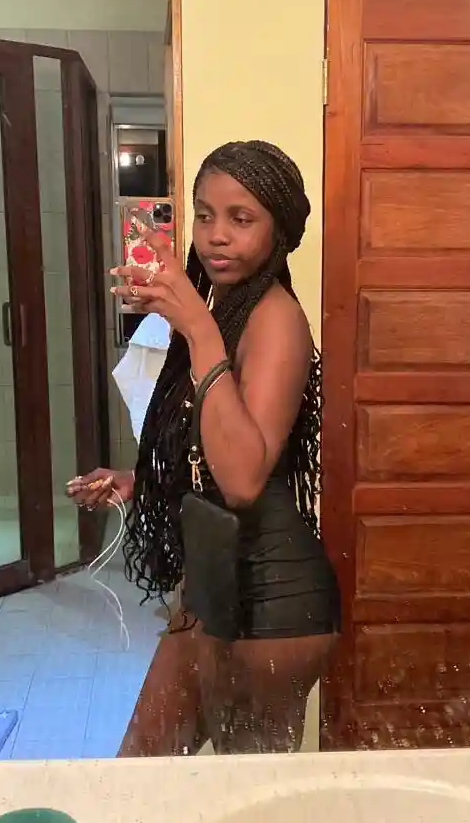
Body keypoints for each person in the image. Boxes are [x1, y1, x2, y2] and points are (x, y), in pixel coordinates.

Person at [67, 140, 341, 754]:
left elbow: (243, 479)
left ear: (279, 230)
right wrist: (139, 480)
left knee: (244, 791)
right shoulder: (226, 309)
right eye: (205, 214)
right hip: (213, 586)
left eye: (241, 219)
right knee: (144, 763)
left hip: (273, 604)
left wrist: (196, 327)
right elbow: (212, 446)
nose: (216, 235)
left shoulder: (275, 319)